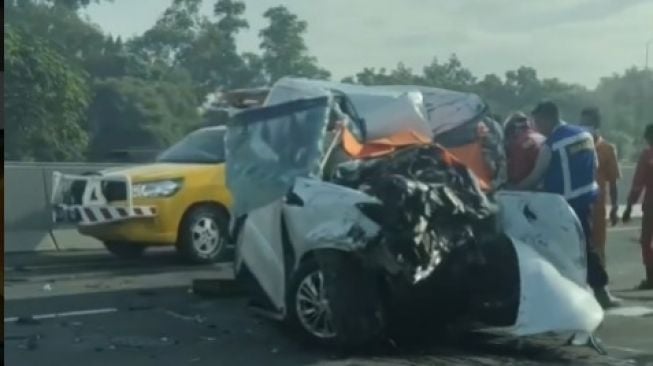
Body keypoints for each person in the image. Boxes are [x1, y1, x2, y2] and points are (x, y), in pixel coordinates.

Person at [514, 101, 620, 308]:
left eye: (537, 122)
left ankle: (571, 297)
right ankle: (600, 292)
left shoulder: (552, 144)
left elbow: (535, 177)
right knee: (587, 247)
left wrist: (512, 188)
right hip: (587, 202)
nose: (536, 127)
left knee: (561, 251)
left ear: (546, 118)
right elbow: (594, 166)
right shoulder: (584, 135)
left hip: (562, 207)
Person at [580, 107, 621, 266]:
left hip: (598, 207)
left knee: (598, 246)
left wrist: (615, 207)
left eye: (588, 123)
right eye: (582, 123)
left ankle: (600, 284)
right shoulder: (576, 146)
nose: (584, 126)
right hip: (579, 204)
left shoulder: (607, 149)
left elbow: (613, 181)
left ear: (596, 124)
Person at [623, 124, 653, 290]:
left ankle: (651, 278)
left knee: (647, 240)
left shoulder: (647, 155)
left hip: (651, 205)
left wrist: (629, 207)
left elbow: (637, 184)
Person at [504, 112, 545, 185]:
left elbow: (517, 176)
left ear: (511, 131)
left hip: (534, 187)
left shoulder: (519, 144)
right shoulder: (541, 136)